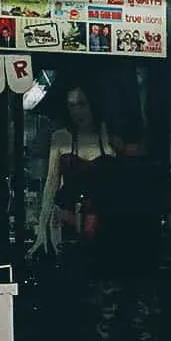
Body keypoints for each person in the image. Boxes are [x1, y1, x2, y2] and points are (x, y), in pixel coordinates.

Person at [69, 117, 171, 341]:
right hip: (147, 267)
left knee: (100, 338)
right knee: (144, 340)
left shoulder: (104, 171)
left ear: (115, 139)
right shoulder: (159, 172)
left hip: (108, 268)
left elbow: (88, 225)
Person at [29, 85, 114, 256]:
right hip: (67, 227)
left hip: (105, 226)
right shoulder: (61, 138)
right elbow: (51, 183)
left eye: (82, 104)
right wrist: (41, 231)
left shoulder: (108, 135)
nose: (77, 111)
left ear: (92, 104)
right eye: (71, 106)